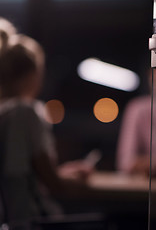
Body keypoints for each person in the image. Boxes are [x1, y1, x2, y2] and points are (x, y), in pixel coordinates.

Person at [0, 18, 92, 228]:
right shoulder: (26, 113)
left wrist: (62, 172)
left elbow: (27, 174)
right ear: (33, 74)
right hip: (31, 221)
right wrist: (77, 178)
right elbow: (53, 184)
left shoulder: (4, 113)